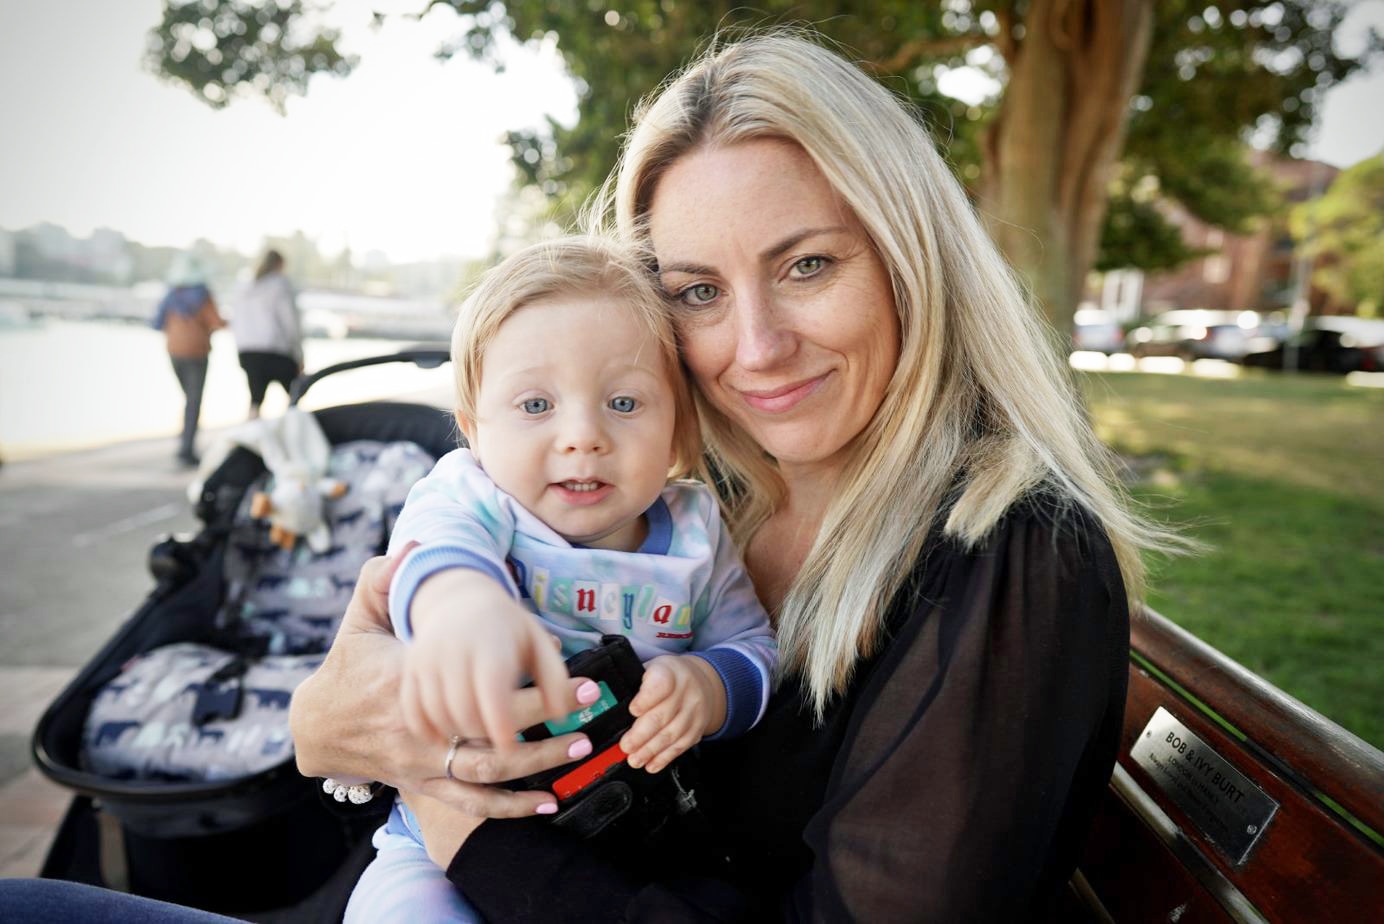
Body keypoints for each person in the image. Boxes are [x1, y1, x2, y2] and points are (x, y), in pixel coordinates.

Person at [0, 30, 1172, 921]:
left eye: (807, 265)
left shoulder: (1008, 557)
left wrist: (459, 823)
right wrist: (329, 722)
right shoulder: (702, 501)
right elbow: (367, 686)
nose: (751, 347)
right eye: (698, 293)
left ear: (915, 257)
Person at [343, 236, 776, 922]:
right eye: (536, 406)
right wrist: (465, 607)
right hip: (446, 838)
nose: (583, 435)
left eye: (625, 404)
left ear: (680, 429)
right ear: (473, 431)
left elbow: (755, 646)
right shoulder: (473, 498)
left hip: (635, 838)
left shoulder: (695, 532)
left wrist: (712, 686)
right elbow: (434, 558)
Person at [153, 253, 225, 466]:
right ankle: (186, 448)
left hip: (174, 350)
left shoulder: (171, 294)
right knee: (194, 401)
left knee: (188, 399)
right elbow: (217, 322)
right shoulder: (203, 295)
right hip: (196, 351)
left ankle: (184, 442)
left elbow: (158, 323)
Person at [233, 249, 303, 418]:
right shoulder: (281, 285)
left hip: (248, 352)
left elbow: (235, 320)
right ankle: (294, 432)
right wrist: (299, 355)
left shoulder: (244, 286)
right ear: (279, 264)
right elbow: (290, 323)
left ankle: (252, 436)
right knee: (295, 396)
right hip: (277, 351)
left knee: (255, 399)